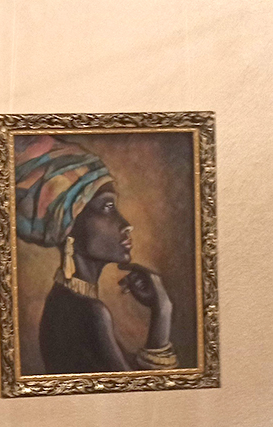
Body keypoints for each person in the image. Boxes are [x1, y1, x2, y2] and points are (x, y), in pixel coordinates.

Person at [14, 135, 177, 374]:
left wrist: (160, 310)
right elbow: (141, 390)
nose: (126, 225)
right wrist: (163, 311)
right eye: (107, 208)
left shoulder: (65, 301)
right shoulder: (90, 313)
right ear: (69, 225)